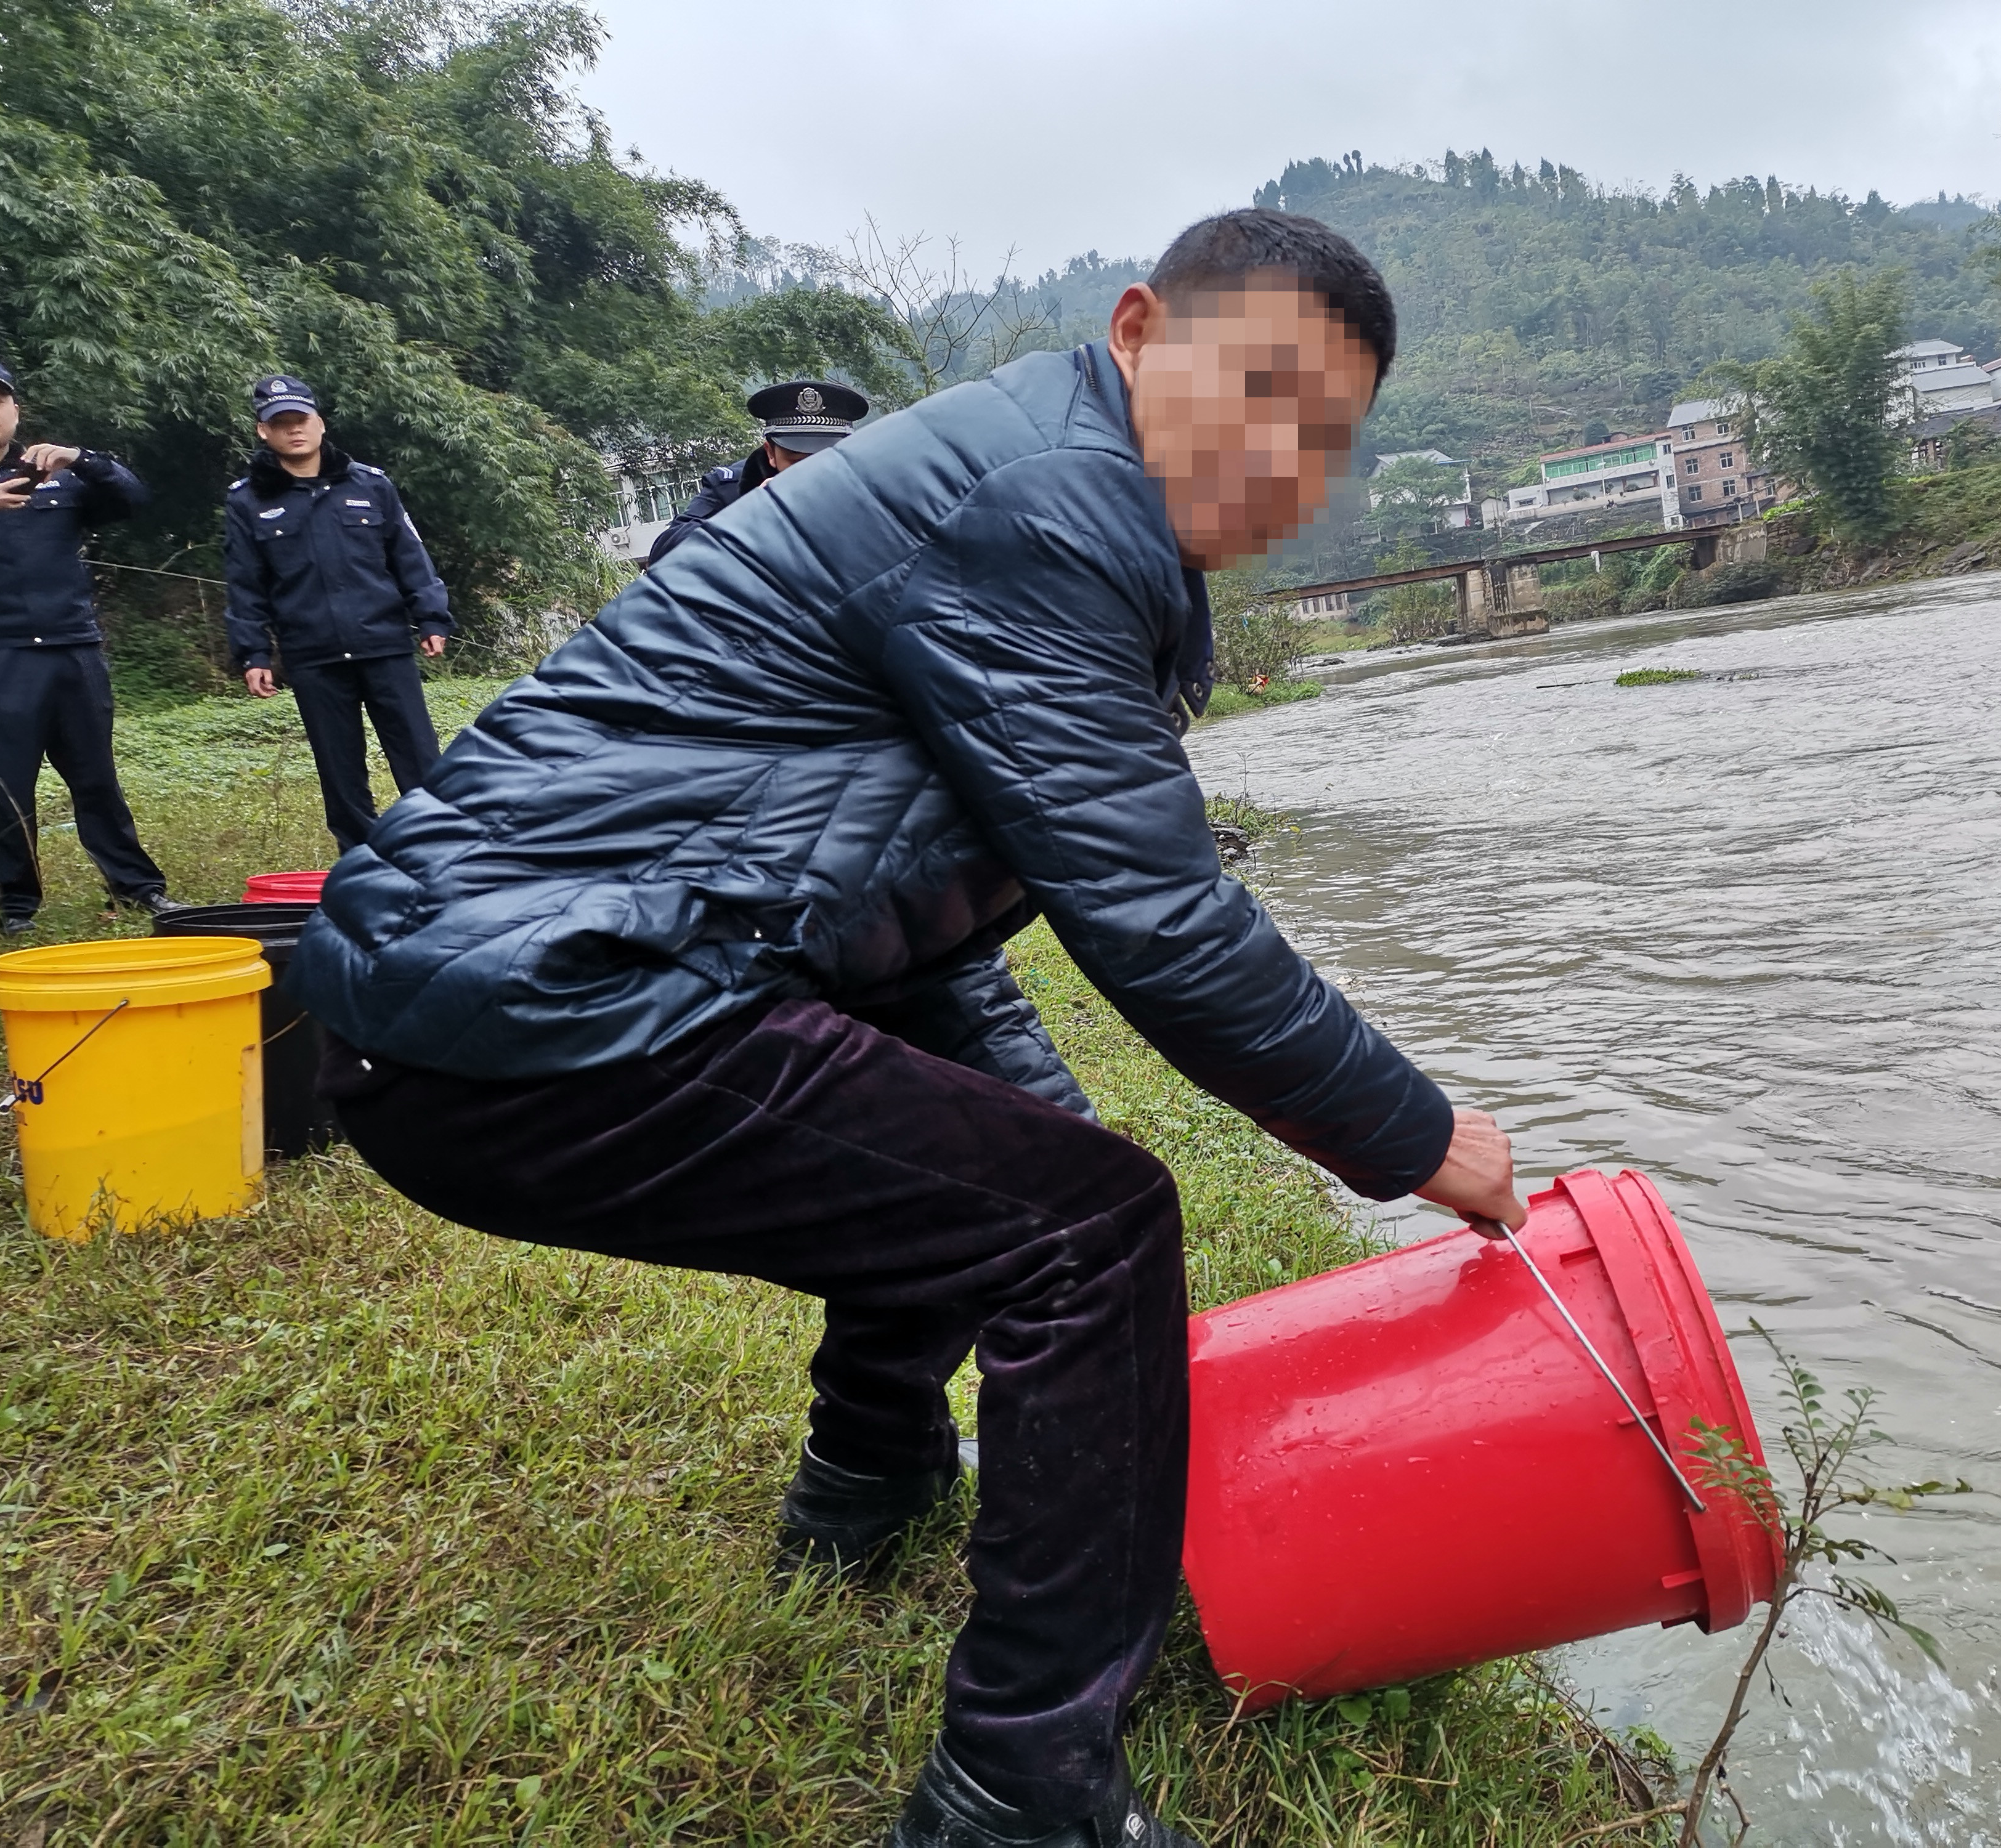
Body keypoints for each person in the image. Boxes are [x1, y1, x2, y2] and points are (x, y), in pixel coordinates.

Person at [293, 210, 1524, 1848]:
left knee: (1014, 1180)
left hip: (509, 992)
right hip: (529, 1000)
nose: (1286, 459)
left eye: (1328, 436)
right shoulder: (1048, 503)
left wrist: (1048, 1133)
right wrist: (1432, 1142)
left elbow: (907, 921)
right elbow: (1163, 924)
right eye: (1266, 391)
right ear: (1144, 331)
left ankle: (865, 1493)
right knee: (1087, 1235)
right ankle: (1023, 1787)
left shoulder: (1049, 483)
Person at [0, 354, 174, 934]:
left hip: (73, 650)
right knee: (1, 787)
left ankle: (139, 890)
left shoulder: (56, 472)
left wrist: (85, 459)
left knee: (96, 778)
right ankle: (7, 909)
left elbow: (135, 501)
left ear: (17, 411)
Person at [222, 375, 454, 853]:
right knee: (339, 767)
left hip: (384, 643)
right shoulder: (247, 501)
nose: (294, 432)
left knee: (419, 756)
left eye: (301, 420)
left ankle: (439, 849)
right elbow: (246, 583)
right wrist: (253, 653)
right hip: (313, 654)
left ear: (320, 423)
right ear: (263, 432)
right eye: (280, 424)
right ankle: (363, 860)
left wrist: (431, 617)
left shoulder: (371, 485)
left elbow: (409, 556)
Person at [644, 378, 870, 564]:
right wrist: (747, 518)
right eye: (796, 461)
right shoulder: (733, 487)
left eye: (823, 458)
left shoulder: (873, 485)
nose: (809, 472)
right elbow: (664, 551)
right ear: (770, 453)